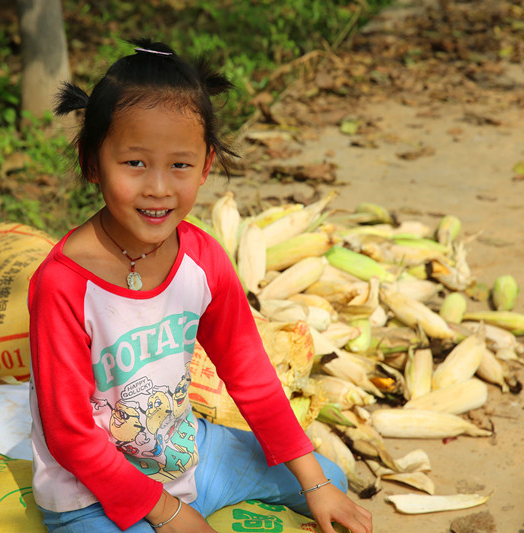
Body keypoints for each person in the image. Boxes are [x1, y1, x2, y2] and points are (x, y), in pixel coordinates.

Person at [28, 38, 373, 533]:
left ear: (206, 164)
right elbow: (69, 436)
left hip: (187, 458)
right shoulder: (61, 284)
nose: (159, 188)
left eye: (180, 165)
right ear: (91, 163)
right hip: (91, 493)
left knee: (330, 480)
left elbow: (250, 374)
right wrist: (170, 514)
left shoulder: (202, 259)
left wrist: (316, 485)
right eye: (135, 163)